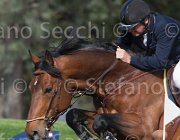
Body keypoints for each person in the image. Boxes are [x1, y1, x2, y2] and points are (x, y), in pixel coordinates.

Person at [115, 0, 180, 71]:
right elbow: (119, 46)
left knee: (177, 78)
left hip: (176, 62)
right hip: (167, 62)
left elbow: (159, 62)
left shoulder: (165, 28)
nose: (129, 31)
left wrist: (130, 59)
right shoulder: (133, 28)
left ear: (145, 20)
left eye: (133, 27)